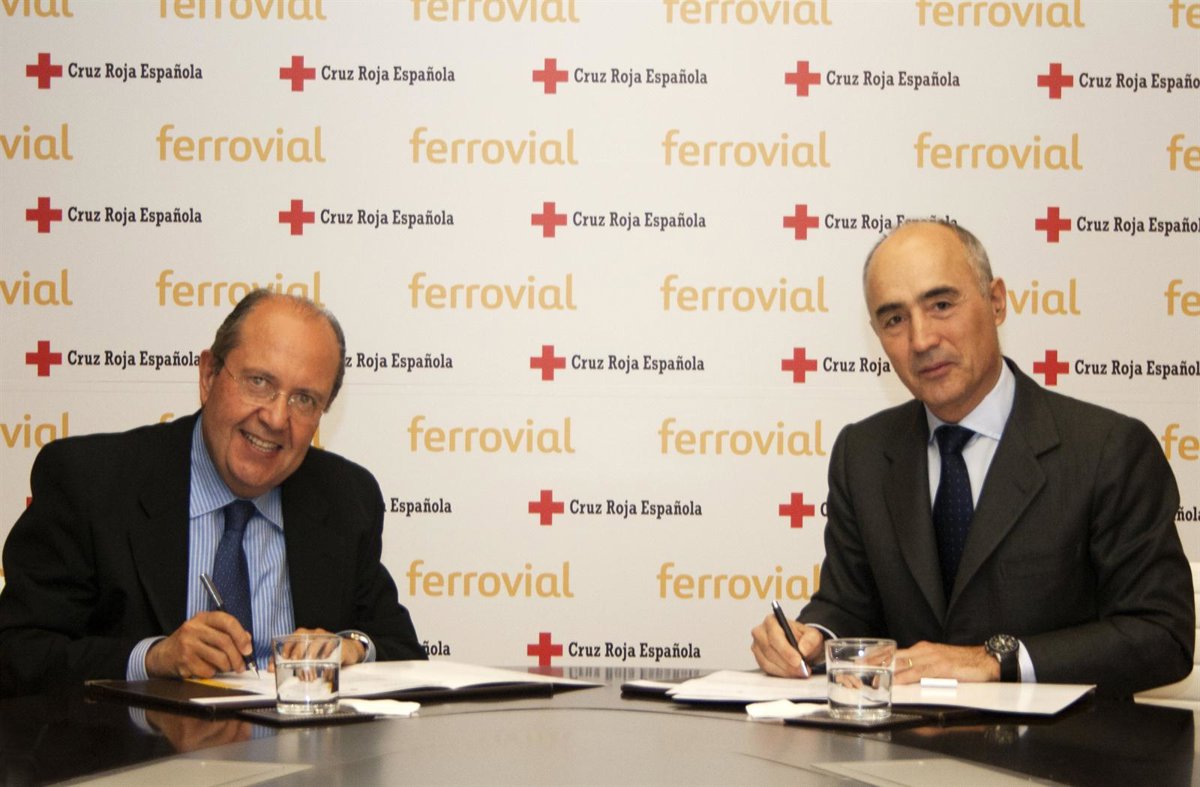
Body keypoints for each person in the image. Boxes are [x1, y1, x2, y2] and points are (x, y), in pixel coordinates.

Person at [751, 220, 1193, 697]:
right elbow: (849, 604)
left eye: (941, 305)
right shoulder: (863, 453)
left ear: (996, 301)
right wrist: (814, 637)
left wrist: (996, 660)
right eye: (894, 319)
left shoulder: (1107, 449)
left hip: (1060, 743)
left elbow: (1162, 636)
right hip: (905, 743)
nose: (921, 340)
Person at [0, 290, 425, 696]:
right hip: (138, 747)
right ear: (208, 376)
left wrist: (352, 648)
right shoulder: (91, 482)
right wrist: (151, 659)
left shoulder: (345, 497)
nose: (277, 418)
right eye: (259, 382)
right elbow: (17, 654)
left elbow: (405, 656)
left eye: (304, 400)